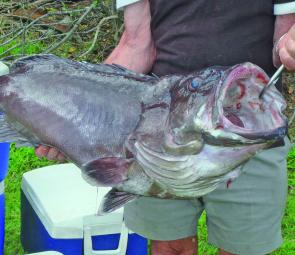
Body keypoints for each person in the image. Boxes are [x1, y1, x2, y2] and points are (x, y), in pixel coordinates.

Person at [36, 1, 295, 254]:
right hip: (157, 136)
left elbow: (283, 44)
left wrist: (290, 46)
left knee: (242, 249)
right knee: (169, 246)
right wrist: (76, 118)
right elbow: (137, 45)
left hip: (248, 132)